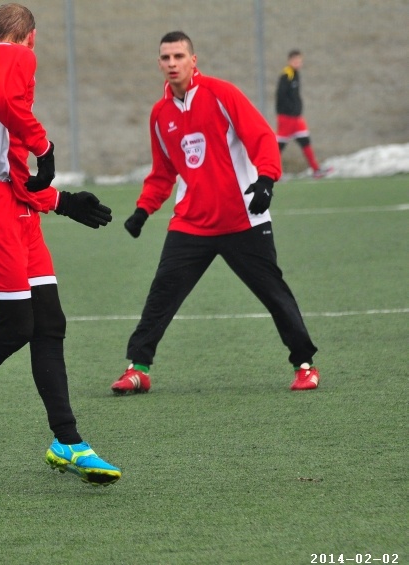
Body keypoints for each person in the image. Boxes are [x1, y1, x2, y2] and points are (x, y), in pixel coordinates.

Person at [0, 3, 120, 486]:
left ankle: (67, 440)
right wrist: (44, 145)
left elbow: (0, 167)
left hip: (12, 209)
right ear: (30, 38)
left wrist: (61, 201)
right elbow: (4, 111)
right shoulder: (11, 56)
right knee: (17, 324)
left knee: (48, 322)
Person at [111, 31, 321, 396]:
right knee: (161, 295)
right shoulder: (160, 114)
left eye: (179, 56)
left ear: (193, 60)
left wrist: (266, 179)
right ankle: (138, 368)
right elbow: (163, 171)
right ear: (159, 64)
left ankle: (304, 365)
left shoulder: (222, 94)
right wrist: (144, 209)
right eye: (166, 58)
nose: (172, 63)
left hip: (243, 219)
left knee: (274, 294)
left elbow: (261, 137)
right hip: (191, 223)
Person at [275, 49, 331, 178]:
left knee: (305, 141)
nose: (298, 63)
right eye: (295, 61)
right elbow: (280, 96)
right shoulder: (286, 75)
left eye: (299, 61)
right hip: (287, 117)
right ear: (289, 61)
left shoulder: (296, 74)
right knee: (279, 146)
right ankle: (273, 172)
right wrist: (290, 110)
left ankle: (316, 169)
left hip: (296, 118)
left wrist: (297, 110)